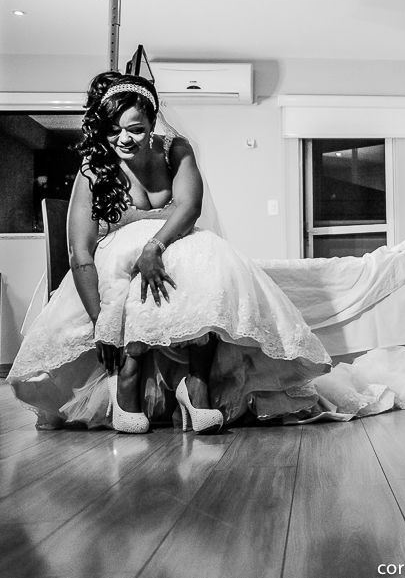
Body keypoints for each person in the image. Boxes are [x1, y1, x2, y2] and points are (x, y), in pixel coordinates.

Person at [8, 72, 331, 432]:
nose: (124, 139)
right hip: (116, 261)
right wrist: (102, 324)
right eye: (114, 130)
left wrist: (154, 246)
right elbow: (80, 252)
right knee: (136, 272)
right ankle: (127, 375)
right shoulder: (93, 170)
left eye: (136, 129)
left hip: (170, 245)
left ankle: (197, 383)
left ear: (152, 122)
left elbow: (190, 207)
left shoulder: (175, 149)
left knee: (208, 255)